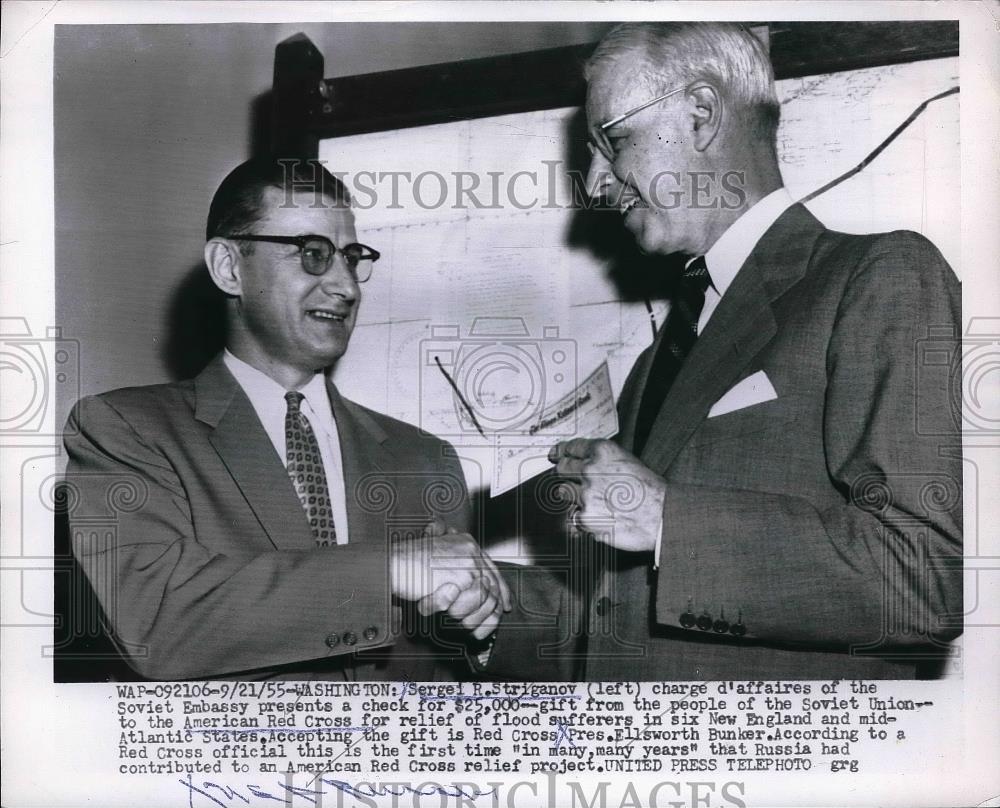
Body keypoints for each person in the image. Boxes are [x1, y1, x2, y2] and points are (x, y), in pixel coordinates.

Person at [470, 22, 963, 680]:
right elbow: (631, 620)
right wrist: (486, 602)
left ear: (700, 114)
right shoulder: (658, 364)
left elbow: (920, 580)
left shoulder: (880, 277)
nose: (595, 183)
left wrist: (670, 519)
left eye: (612, 142)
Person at [62, 157, 509, 681]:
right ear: (230, 267)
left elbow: (447, 668)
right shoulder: (126, 430)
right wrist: (389, 568)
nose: (347, 286)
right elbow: (159, 624)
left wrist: (479, 632)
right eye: (313, 254)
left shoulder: (426, 459)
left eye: (352, 257)